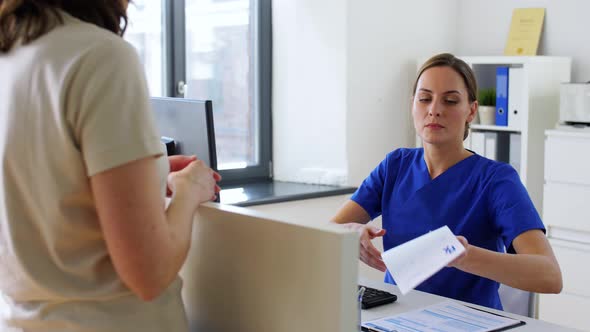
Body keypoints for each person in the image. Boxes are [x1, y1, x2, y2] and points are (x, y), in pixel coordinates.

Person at [0, 1, 220, 331]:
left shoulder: (12, 57)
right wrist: (189, 192)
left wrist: (147, 174)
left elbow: (37, 184)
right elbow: (150, 273)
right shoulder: (99, 56)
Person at [332, 53, 562, 310]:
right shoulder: (395, 166)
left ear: (471, 111)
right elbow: (329, 232)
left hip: (469, 323)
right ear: (413, 105)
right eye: (425, 99)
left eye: (450, 101)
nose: (434, 110)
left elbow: (550, 276)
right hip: (395, 319)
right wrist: (353, 234)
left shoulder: (496, 180)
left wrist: (465, 257)